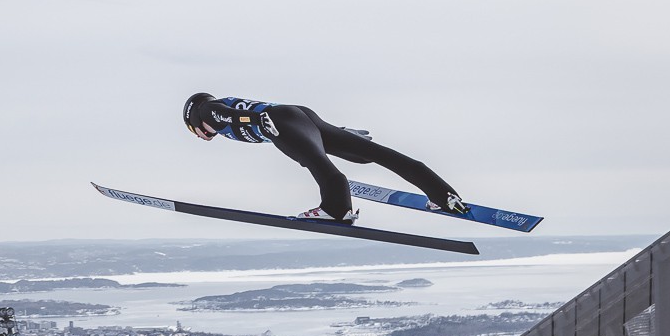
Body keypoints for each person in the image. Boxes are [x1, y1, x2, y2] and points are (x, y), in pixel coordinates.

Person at [182, 93, 470, 223]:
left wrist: (260, 121)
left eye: (194, 130)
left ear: (194, 118)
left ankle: (336, 209)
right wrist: (340, 133)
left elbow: (232, 116)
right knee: (375, 154)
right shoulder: (216, 112)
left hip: (279, 120)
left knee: (315, 161)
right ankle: (443, 195)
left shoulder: (208, 111)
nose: (199, 135)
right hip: (298, 115)